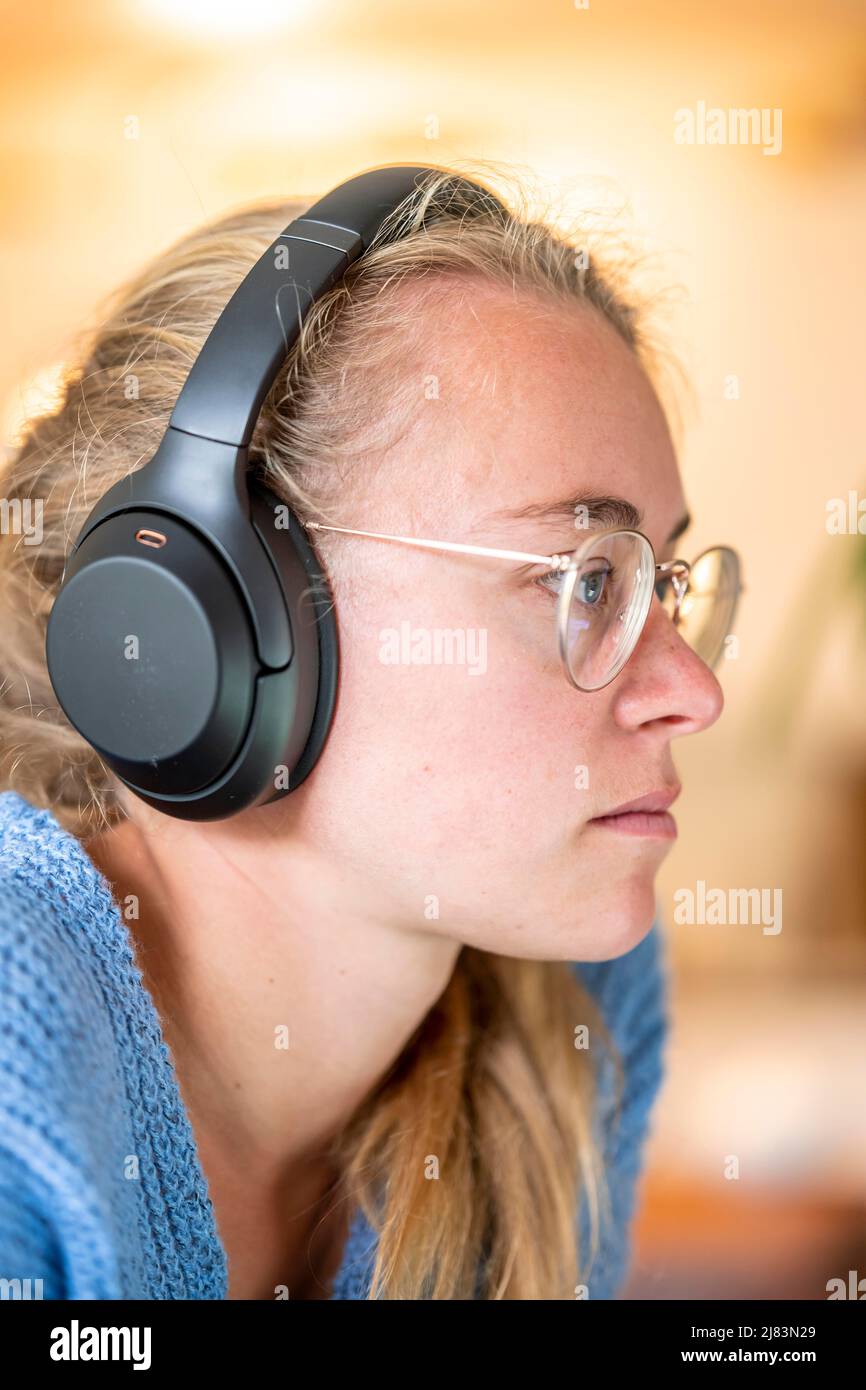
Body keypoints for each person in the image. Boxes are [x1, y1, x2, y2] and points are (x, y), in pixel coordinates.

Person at [0, 165, 737, 1300]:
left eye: (664, 583)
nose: (691, 689)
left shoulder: (572, 1026)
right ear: (225, 616)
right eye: (586, 580)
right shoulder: (16, 1050)